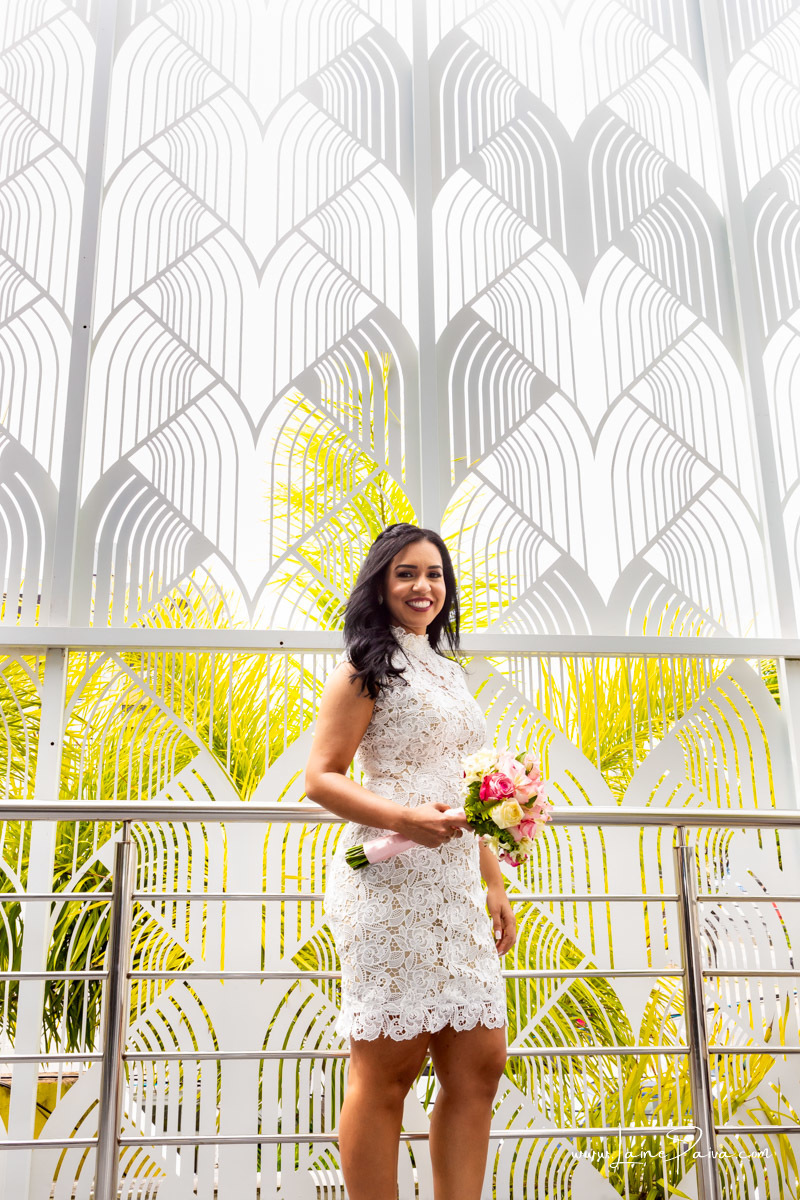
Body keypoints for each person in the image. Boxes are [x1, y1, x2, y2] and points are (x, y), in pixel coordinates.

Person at [305, 522, 516, 1200]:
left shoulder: (449, 672)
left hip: (456, 890)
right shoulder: (363, 666)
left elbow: (463, 785)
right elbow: (320, 778)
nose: (423, 586)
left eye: (434, 573)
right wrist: (404, 819)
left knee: (480, 1065)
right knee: (386, 1074)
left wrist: (493, 882)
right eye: (406, 573)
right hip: (390, 887)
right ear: (380, 585)